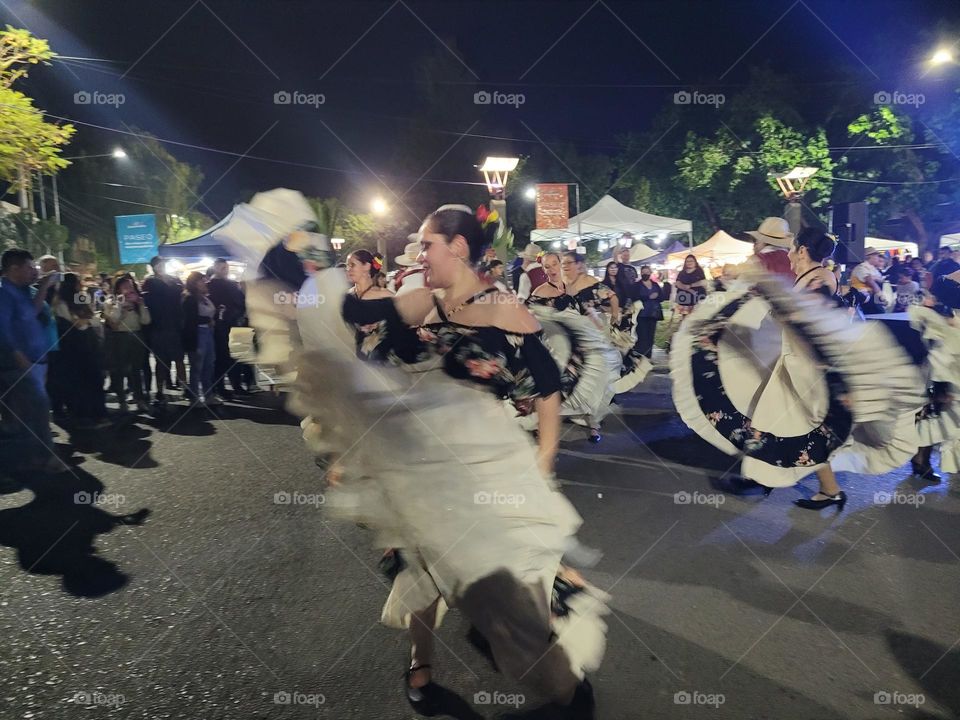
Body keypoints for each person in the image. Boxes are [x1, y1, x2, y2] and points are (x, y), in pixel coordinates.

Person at [334, 205, 605, 719]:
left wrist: (545, 459)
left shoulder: (503, 307)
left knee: (509, 581)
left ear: (458, 247)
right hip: (425, 462)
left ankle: (567, 688)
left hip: (486, 463)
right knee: (421, 561)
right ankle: (420, 665)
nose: (419, 255)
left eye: (427, 244)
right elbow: (368, 335)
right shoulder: (424, 301)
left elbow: (547, 387)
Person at [670, 228, 924, 510]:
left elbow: (811, 311)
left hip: (806, 372)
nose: (788, 254)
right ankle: (822, 489)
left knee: (785, 425)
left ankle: (766, 480)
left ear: (802, 250)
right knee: (796, 428)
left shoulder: (819, 278)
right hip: (792, 362)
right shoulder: (809, 275)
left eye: (792, 249)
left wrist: (763, 283)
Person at [0, 249, 61, 473]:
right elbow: (3, 329)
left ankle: (33, 458)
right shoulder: (4, 293)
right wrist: (19, 356)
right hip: (19, 363)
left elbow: (32, 313)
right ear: (14, 268)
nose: (33, 270)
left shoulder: (22, 291)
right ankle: (44, 458)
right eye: (29, 267)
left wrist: (43, 287)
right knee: (38, 409)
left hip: (35, 359)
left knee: (30, 411)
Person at [55, 274, 109, 429]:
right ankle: (86, 415)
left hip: (87, 341)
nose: (82, 285)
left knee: (94, 378)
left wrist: (87, 318)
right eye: (79, 282)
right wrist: (88, 319)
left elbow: (90, 318)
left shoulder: (79, 298)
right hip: (75, 344)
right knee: (82, 380)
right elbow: (79, 324)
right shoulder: (61, 303)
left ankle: (97, 413)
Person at [103, 274, 151, 413]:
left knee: (136, 369)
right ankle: (122, 401)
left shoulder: (138, 301)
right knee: (120, 370)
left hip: (137, 335)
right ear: (118, 288)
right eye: (125, 286)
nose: (129, 288)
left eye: (130, 285)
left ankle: (139, 399)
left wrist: (141, 305)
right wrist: (120, 306)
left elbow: (146, 321)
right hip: (120, 337)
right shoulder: (110, 302)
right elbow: (113, 322)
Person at [142, 256, 186, 404]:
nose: (161, 266)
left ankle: (185, 388)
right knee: (161, 361)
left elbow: (183, 295)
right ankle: (160, 391)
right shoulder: (150, 282)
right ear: (153, 267)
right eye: (158, 264)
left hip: (175, 325)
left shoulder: (174, 279)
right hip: (159, 326)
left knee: (179, 359)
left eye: (162, 264)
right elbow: (148, 302)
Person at [207, 258, 247, 399]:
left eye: (226, 267)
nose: (225, 270)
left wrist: (241, 314)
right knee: (222, 357)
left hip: (235, 323)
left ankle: (236, 385)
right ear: (216, 268)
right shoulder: (211, 285)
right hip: (221, 325)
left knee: (236, 357)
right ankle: (220, 387)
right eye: (222, 268)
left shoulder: (231, 284)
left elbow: (241, 301)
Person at [344, 249, 393, 362]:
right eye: (347, 266)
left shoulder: (385, 295)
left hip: (382, 360)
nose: (348, 269)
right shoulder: (348, 296)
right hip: (355, 357)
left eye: (352, 265)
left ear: (367, 266)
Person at [181, 272, 220, 407]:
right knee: (197, 367)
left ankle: (208, 395)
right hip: (197, 334)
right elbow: (190, 319)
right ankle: (194, 397)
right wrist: (207, 320)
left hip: (208, 333)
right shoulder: (189, 298)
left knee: (208, 365)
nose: (205, 283)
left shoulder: (204, 297)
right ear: (195, 283)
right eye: (202, 281)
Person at [630, 264, 663, 360]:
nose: (645, 274)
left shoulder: (655, 285)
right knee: (642, 336)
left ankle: (648, 357)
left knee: (650, 337)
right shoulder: (637, 285)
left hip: (653, 313)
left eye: (647, 272)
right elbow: (634, 297)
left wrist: (657, 296)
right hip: (641, 314)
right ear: (641, 273)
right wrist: (648, 297)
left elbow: (662, 296)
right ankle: (639, 357)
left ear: (650, 273)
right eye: (643, 272)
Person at [849, 247, 886, 314]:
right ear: (869, 256)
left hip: (873, 299)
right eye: (876, 255)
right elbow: (871, 283)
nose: (878, 257)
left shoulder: (873, 269)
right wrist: (881, 296)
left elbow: (880, 280)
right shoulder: (861, 268)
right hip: (864, 299)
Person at [674, 254, 708, 320]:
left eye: (691, 261)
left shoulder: (699, 271)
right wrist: (688, 289)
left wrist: (690, 285)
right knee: (685, 317)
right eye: (687, 261)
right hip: (684, 298)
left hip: (697, 297)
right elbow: (677, 283)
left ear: (695, 262)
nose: (689, 263)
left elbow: (703, 282)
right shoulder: (682, 273)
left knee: (696, 317)